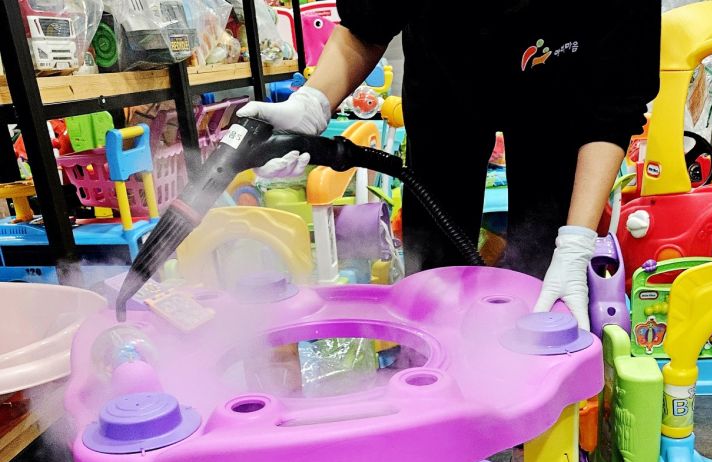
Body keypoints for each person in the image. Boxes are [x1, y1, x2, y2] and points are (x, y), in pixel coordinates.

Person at [238, 1, 661, 329]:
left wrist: (575, 244)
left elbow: (614, 103)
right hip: (446, 82)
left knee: (543, 263)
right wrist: (313, 102)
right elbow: (365, 27)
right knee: (435, 269)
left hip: (560, 93)